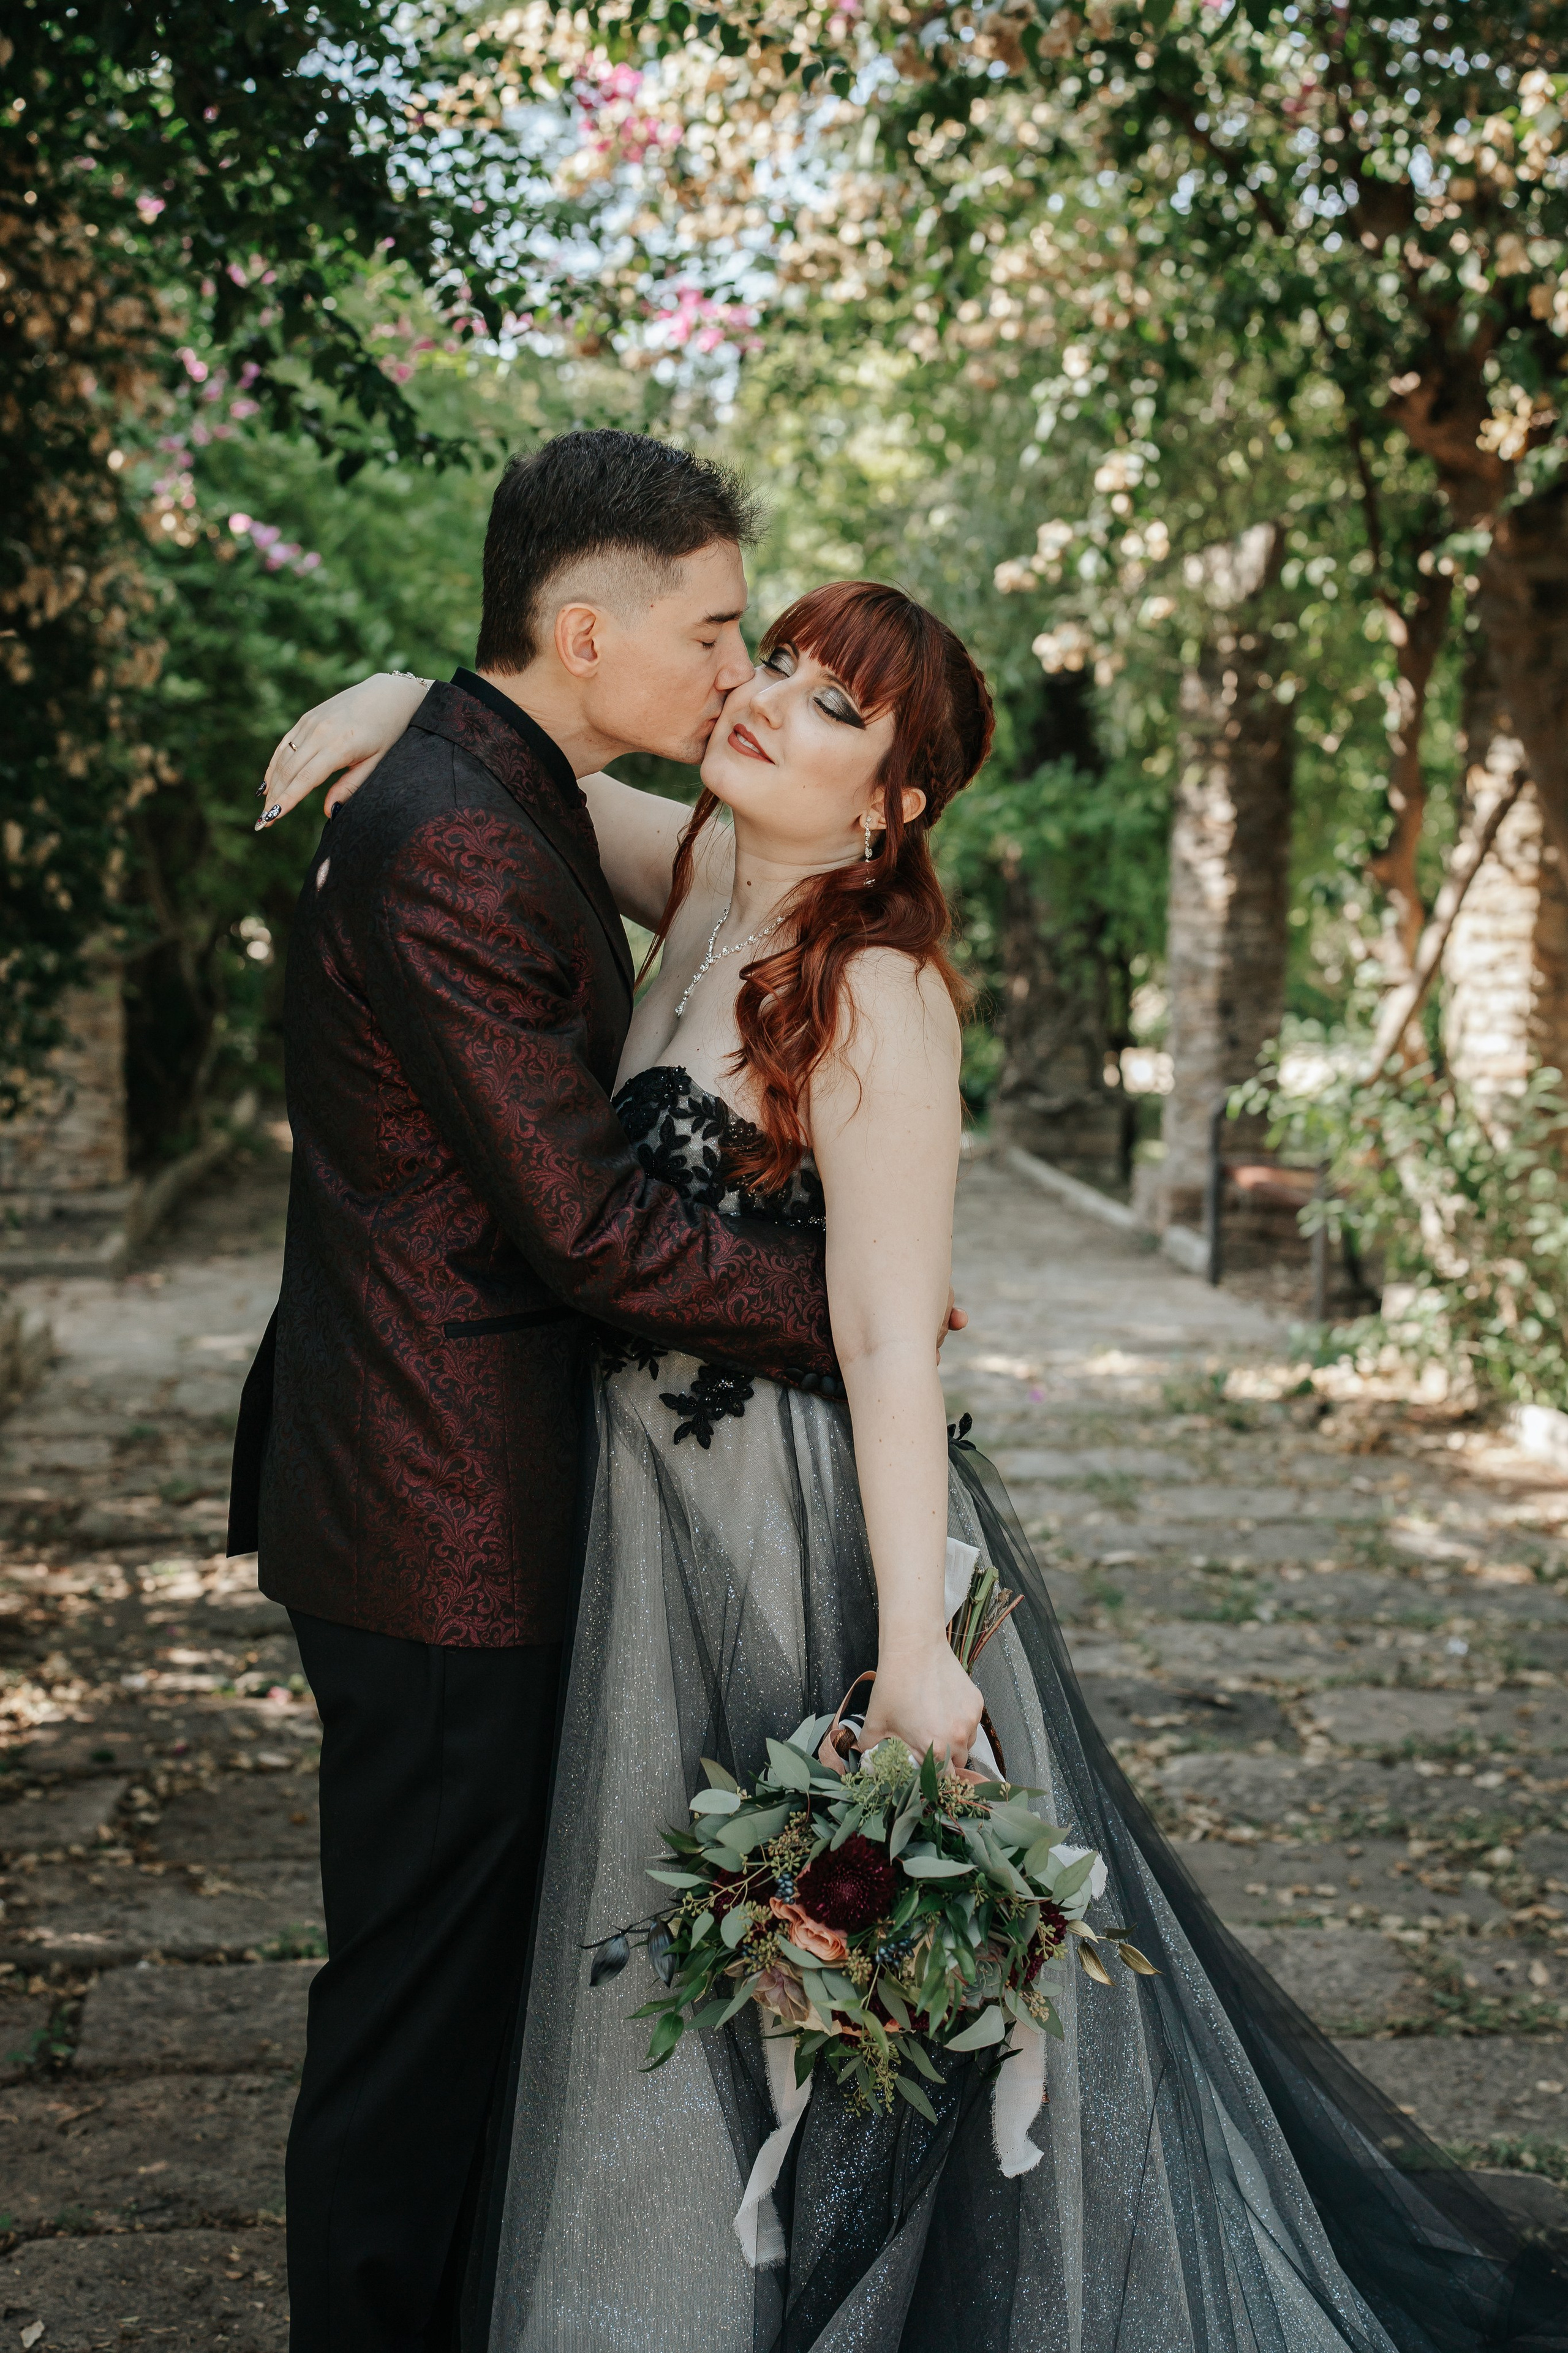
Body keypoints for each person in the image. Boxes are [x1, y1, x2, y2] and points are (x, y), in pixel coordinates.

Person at [266, 568, 1567, 2347]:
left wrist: (909, 1648)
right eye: (775, 661)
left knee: (805, 1969)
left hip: (781, 1531)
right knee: (664, 1949)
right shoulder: (715, 873)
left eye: (828, 704)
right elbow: (541, 773)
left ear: (892, 803)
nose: (768, 699)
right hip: (632, 1515)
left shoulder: (880, 996)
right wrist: (391, 699)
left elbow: (885, 1337)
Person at [230, 431, 963, 2353]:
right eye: (741, 640)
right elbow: (585, 1224)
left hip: (620, 1504)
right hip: (460, 1499)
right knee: (449, 1991)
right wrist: (847, 1306)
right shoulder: (564, 839)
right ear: (586, 627)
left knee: (569, 1964)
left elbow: (591, 798)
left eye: (799, 682)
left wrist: (428, 689)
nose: (745, 681)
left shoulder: (673, 859)